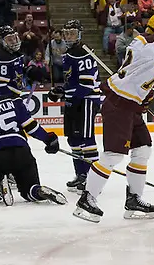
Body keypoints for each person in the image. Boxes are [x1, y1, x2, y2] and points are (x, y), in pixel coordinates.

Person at [73, 14, 154, 223]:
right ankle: (87, 199)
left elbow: (146, 70)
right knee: (113, 155)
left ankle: (134, 199)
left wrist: (143, 94)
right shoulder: (151, 43)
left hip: (129, 103)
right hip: (119, 104)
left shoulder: (147, 44)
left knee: (143, 149)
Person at [0, 77, 65, 206]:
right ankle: (38, 191)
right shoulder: (13, 101)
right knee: (29, 189)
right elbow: (31, 127)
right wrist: (49, 139)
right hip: (22, 151)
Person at [47, 20, 101, 193]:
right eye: (67, 33)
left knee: (86, 139)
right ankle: (81, 175)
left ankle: (93, 179)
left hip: (86, 100)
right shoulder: (69, 53)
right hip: (74, 100)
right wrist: (62, 91)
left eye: (73, 33)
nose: (69, 36)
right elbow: (73, 81)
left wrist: (69, 95)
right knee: (73, 139)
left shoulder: (84, 53)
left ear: (80, 34)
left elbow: (86, 85)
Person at [0, 26, 25, 97]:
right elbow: (0, 84)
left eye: (14, 38)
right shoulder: (0, 57)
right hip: (7, 96)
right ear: (2, 41)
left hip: (15, 94)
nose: (14, 42)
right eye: (10, 40)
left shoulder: (16, 54)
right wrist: (7, 99)